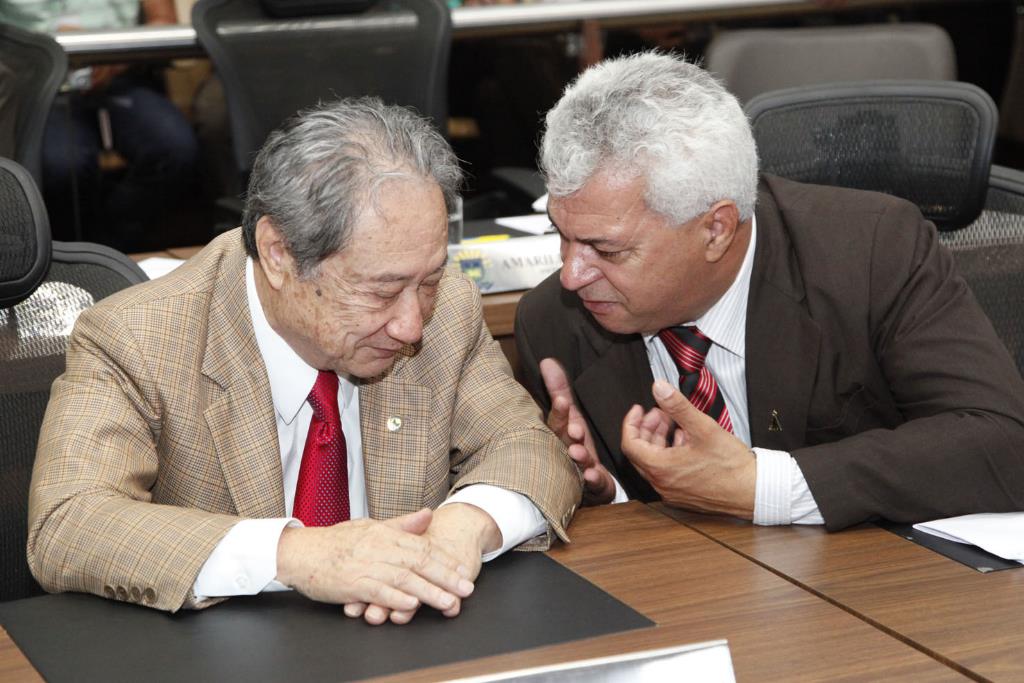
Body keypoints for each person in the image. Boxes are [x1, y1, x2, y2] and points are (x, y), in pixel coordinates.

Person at [28, 97, 581, 623]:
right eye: (381, 291)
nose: (412, 325)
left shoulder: (447, 311)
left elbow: (528, 447)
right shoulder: (137, 337)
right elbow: (68, 522)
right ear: (278, 254)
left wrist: (463, 529)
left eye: (429, 281)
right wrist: (298, 554)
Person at [514, 52, 1024, 531]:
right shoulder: (553, 322)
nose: (571, 275)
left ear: (716, 230)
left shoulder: (873, 252)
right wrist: (601, 498)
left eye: (606, 249)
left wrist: (764, 486)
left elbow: (1003, 443)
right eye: (562, 234)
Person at [0, 0, 200, 249]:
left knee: (175, 148)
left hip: (121, 69)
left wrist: (117, 58)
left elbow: (164, 21)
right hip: (34, 78)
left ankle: (113, 241)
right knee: (63, 166)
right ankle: (75, 251)